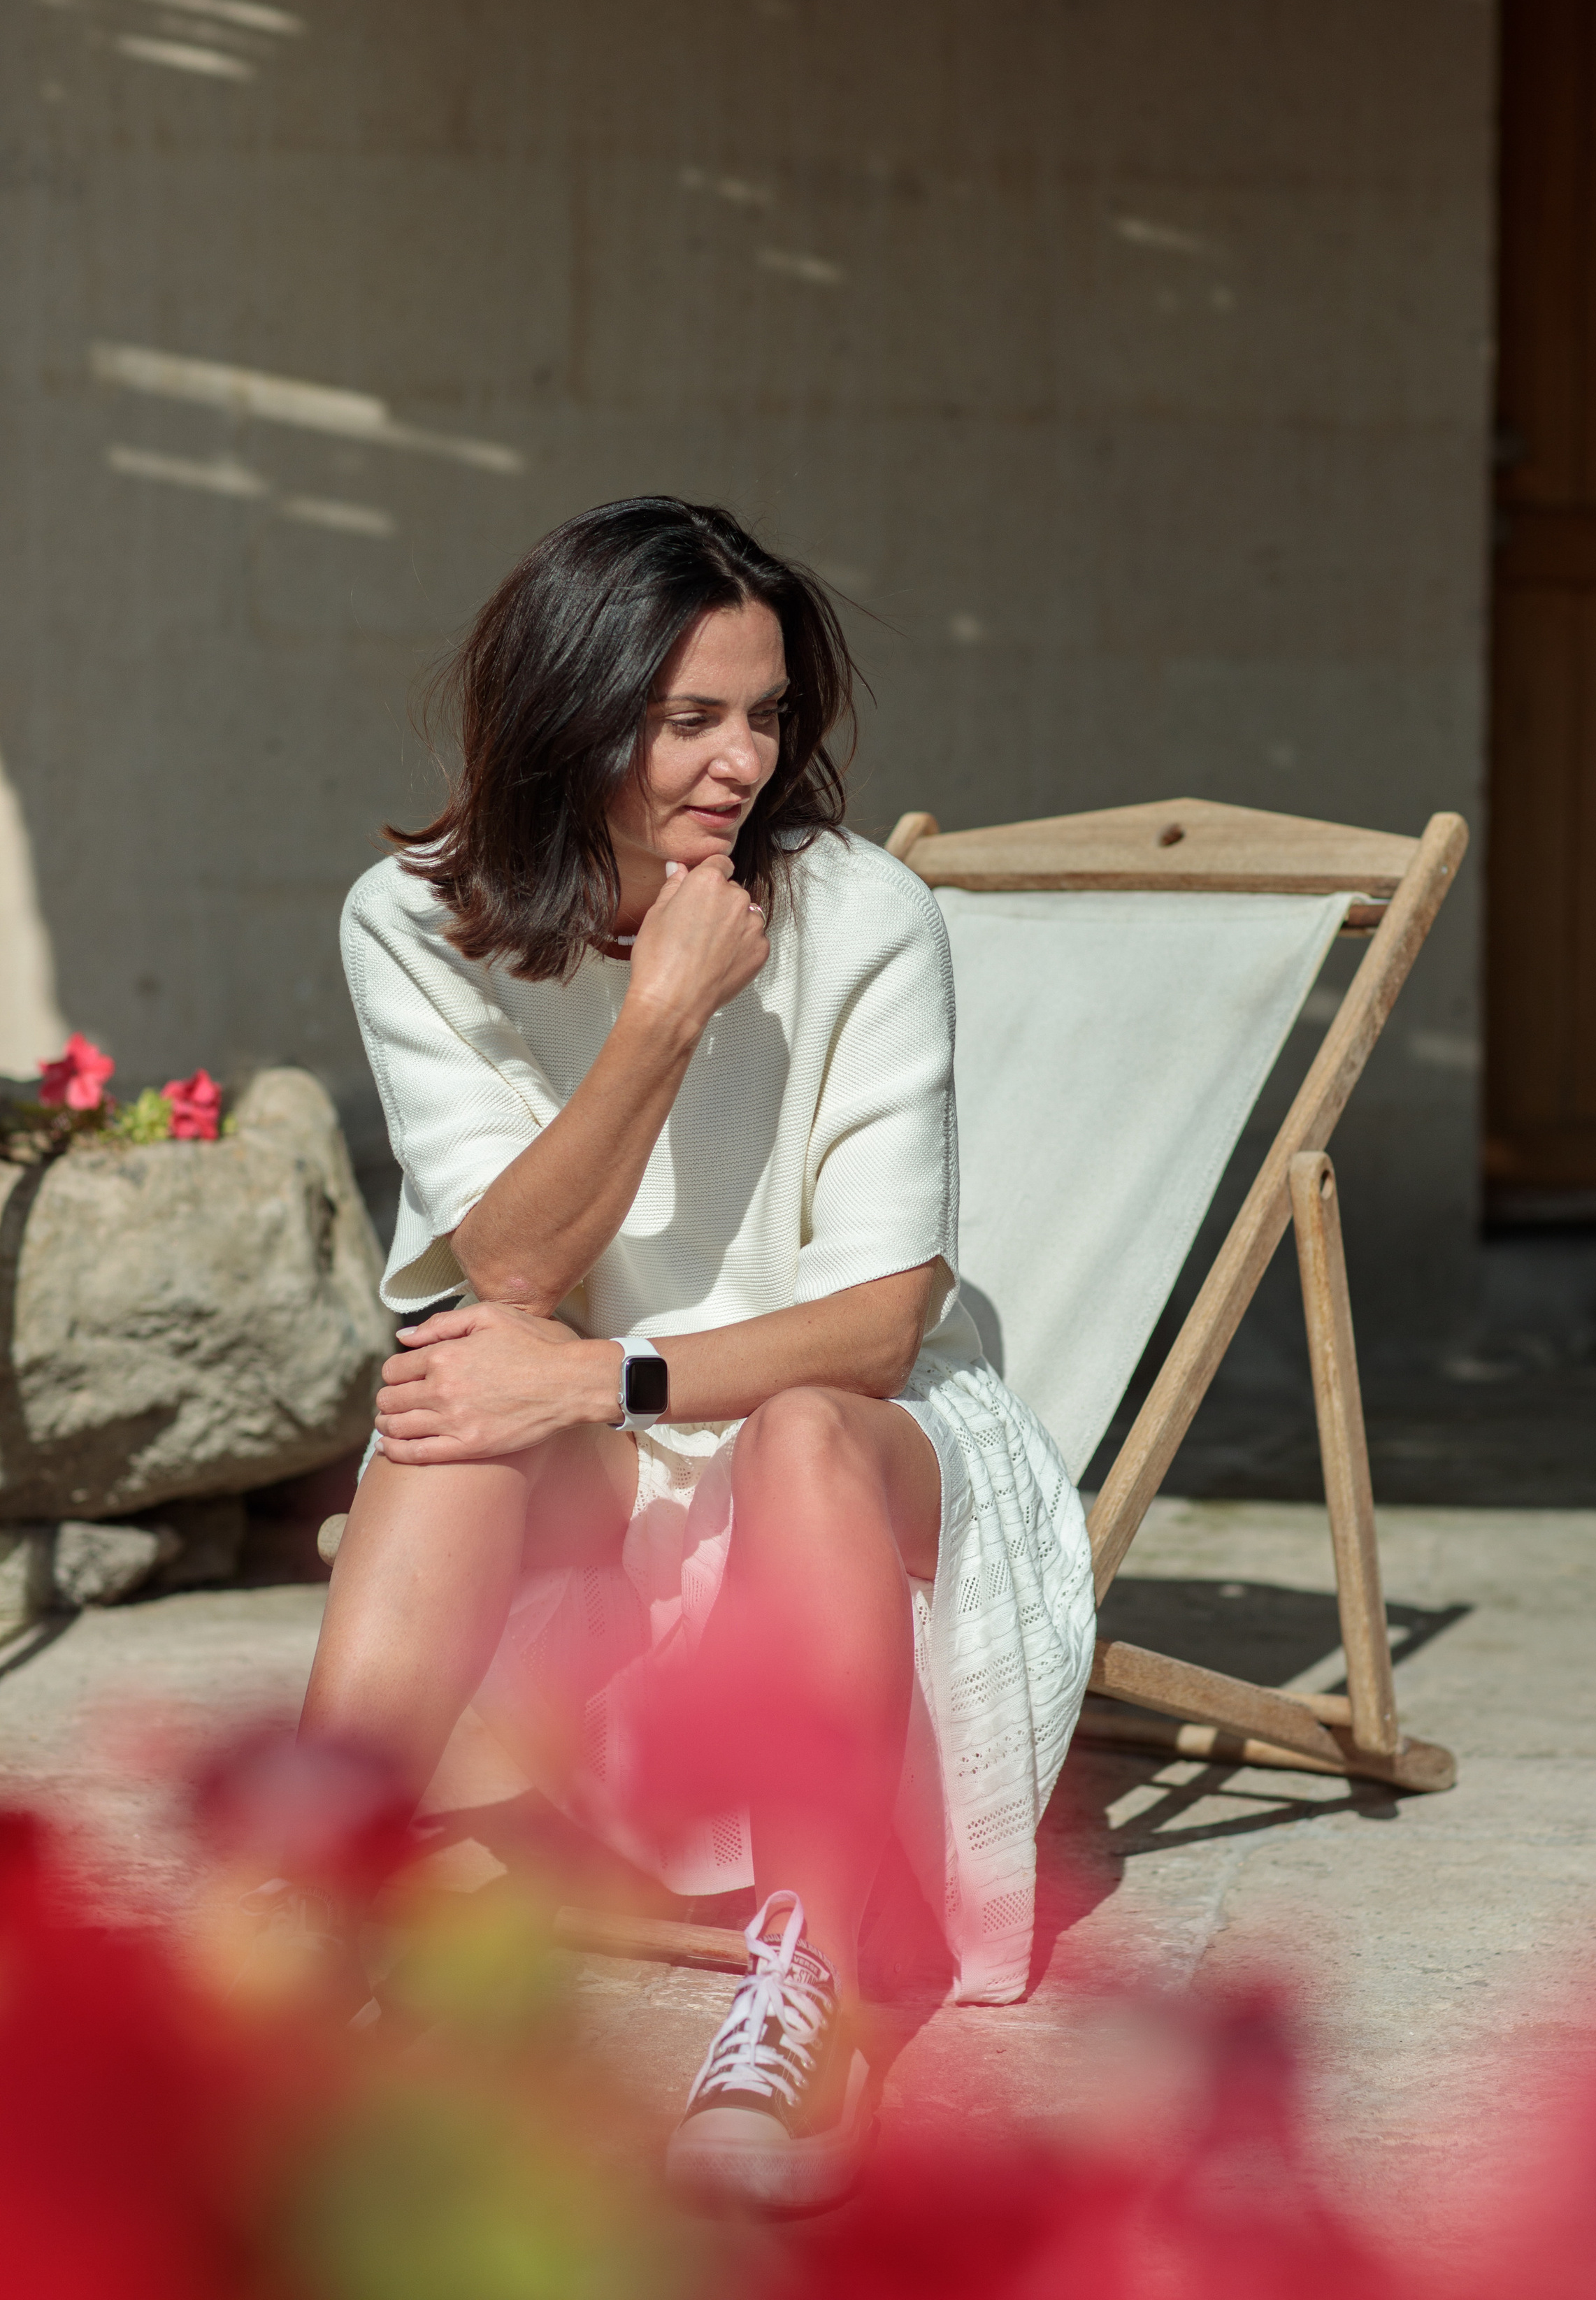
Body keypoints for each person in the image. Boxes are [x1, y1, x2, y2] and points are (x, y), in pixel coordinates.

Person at [303, 495, 1095, 2212]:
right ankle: (315, 1909)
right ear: (575, 716)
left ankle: (801, 1989)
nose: (741, 762)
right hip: (608, 1438)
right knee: (460, 1384)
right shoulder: (408, 920)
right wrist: (658, 1017)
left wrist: (600, 1380)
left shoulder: (860, 914)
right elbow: (511, 1265)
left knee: (786, 1422)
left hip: (862, 1439)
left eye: (765, 712)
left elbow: (882, 1327)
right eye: (688, 721)